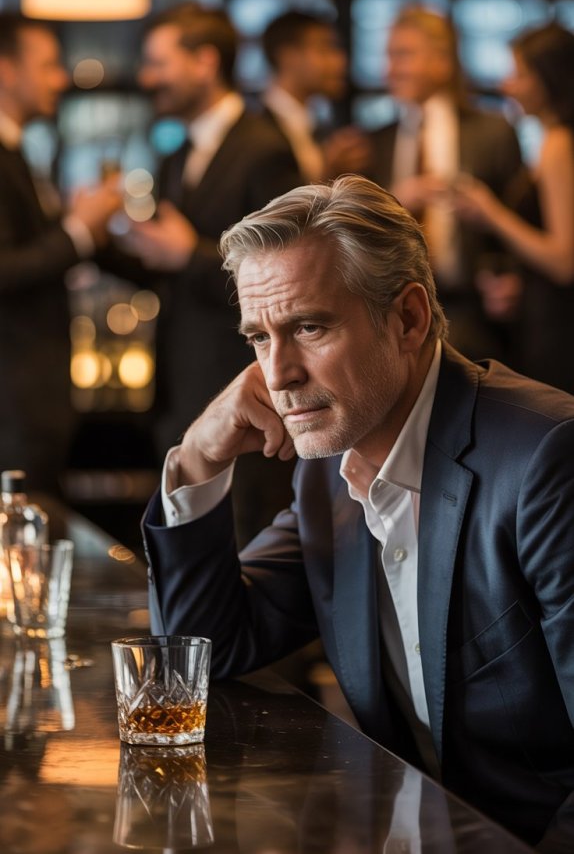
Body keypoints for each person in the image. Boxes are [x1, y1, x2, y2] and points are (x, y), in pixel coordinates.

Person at [143, 175, 574, 851]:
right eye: (259, 337)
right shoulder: (328, 474)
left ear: (408, 319)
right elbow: (200, 653)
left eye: (308, 327)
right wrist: (199, 455)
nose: (277, 374)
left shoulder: (548, 457)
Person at [129, 4, 302, 541]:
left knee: (244, 549)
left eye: (159, 63)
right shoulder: (177, 154)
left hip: (244, 392)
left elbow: (290, 274)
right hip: (182, 391)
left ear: (205, 62)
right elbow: (169, 270)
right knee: (186, 538)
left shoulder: (265, 149)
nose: (147, 78)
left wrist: (189, 255)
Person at [0, 14, 122, 492]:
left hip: (31, 397)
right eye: (48, 65)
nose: (59, 79)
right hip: (13, 401)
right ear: (6, 69)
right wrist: (78, 230)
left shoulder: (17, 151)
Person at [366, 6, 523, 361]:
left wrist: (511, 278)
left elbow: (519, 218)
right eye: (388, 56)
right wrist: (395, 201)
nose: (389, 70)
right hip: (392, 317)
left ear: (442, 62)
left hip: (477, 316)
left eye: (402, 55)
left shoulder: (493, 131)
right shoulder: (375, 141)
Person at [454, 22, 574, 394]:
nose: (508, 85)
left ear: (549, 79)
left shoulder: (558, 144)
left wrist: (490, 212)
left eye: (519, 74)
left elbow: (563, 260)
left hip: (557, 329)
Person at [260, 9, 369, 182]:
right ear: (288, 57)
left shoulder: (317, 128)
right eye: (325, 49)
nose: (340, 61)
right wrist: (329, 172)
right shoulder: (257, 130)